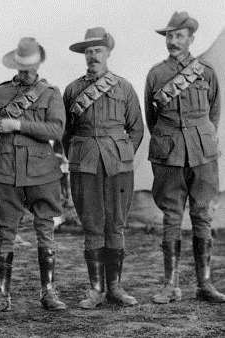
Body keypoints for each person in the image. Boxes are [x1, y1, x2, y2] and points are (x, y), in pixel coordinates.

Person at [0, 37, 67, 312]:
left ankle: (48, 292)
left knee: (45, 229)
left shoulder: (50, 93)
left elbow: (56, 130)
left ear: (38, 63)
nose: (26, 71)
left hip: (41, 170)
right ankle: (1, 296)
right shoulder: (2, 92)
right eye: (21, 66)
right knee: (5, 230)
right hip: (7, 169)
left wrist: (19, 124)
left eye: (30, 65)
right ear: (15, 64)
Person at [145, 11, 225, 303]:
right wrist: (172, 140)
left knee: (203, 215)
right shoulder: (156, 74)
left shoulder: (206, 72)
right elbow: (151, 119)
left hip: (203, 154)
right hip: (170, 155)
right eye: (169, 35)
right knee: (171, 217)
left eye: (179, 35)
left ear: (191, 38)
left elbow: (213, 113)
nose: (173, 41)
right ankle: (170, 285)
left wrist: (200, 137)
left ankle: (205, 284)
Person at [64, 27, 144, 309]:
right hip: (85, 164)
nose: (92, 56)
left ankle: (115, 288)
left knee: (116, 224)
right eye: (88, 51)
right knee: (92, 224)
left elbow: (136, 128)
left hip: (118, 164)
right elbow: (66, 133)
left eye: (97, 50)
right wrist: (79, 157)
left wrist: (121, 154)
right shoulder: (73, 89)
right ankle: (96, 290)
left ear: (108, 52)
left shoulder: (124, 87)